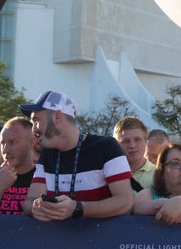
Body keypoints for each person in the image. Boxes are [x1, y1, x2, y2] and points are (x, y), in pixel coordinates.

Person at [21, 91, 133, 220]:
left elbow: (126, 203)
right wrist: (36, 207)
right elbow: (29, 201)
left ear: (57, 117)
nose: (34, 129)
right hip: (59, 238)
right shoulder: (47, 153)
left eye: (36, 120)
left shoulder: (106, 146)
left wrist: (77, 208)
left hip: (101, 238)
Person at [114, 117, 156, 192]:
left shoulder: (159, 175)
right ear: (116, 144)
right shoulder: (108, 174)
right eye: (126, 141)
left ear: (146, 141)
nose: (132, 145)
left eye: (137, 139)